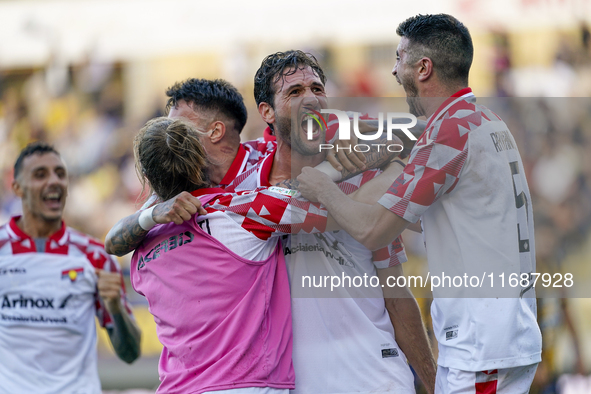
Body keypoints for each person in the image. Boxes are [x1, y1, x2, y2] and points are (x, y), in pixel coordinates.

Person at [105, 61, 435, 392]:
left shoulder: (339, 156)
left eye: (317, 89)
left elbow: (396, 293)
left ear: (216, 131)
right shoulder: (205, 205)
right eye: (295, 91)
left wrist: (379, 151)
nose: (173, 139)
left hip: (372, 377)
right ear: (267, 111)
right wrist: (393, 176)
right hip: (282, 382)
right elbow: (116, 237)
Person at [296, 14, 542, 394]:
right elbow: (427, 214)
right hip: (501, 338)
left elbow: (374, 229)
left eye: (399, 58)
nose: (394, 71)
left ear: (423, 68)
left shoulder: (448, 132)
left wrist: (323, 188)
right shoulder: (486, 120)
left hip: (481, 349)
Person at [129, 116, 333, 394]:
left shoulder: (140, 251)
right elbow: (328, 204)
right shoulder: (240, 211)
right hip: (247, 385)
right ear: (202, 159)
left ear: (149, 179)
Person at [0, 142, 141, 394]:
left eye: (60, 174)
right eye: (40, 174)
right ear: (17, 188)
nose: (54, 181)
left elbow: (130, 353)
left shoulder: (96, 256)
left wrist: (116, 309)